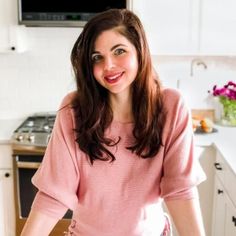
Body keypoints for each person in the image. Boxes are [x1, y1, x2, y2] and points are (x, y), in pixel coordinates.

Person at [21, 9, 206, 236]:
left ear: (140, 52)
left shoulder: (171, 106)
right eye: (97, 57)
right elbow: (54, 194)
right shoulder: (74, 110)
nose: (108, 65)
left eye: (119, 51)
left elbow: (180, 192)